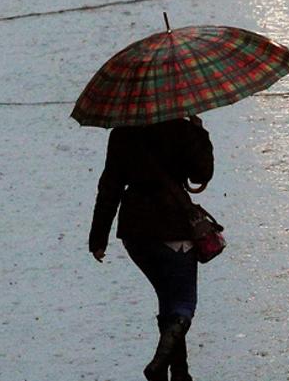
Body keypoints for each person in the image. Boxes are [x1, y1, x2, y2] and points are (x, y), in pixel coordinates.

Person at [88, 116, 214, 381]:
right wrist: (200, 133)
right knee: (183, 304)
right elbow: (202, 174)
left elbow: (109, 186)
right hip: (174, 228)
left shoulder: (122, 134)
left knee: (168, 299)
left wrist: (98, 238)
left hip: (136, 233)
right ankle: (159, 364)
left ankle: (180, 373)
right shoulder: (182, 128)